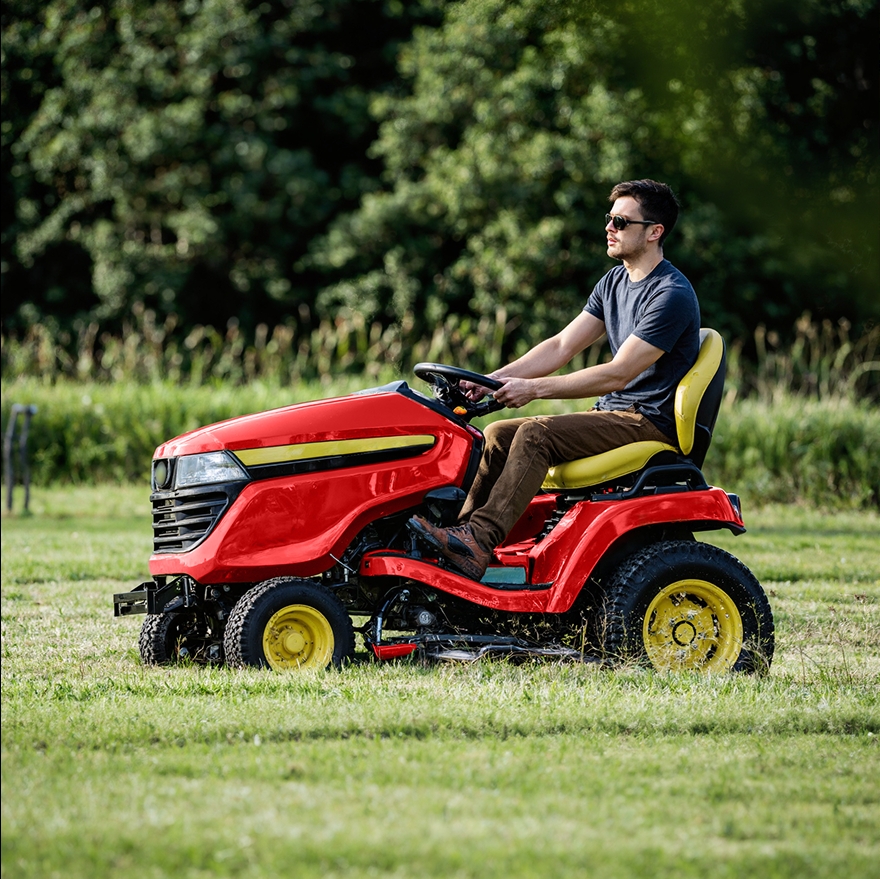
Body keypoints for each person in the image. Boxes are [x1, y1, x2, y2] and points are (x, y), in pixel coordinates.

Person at [408, 179, 701, 580]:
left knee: (535, 434)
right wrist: (492, 380)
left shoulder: (671, 294)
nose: (609, 228)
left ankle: (478, 539)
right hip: (614, 415)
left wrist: (534, 390)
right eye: (608, 219)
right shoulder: (613, 282)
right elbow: (562, 345)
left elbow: (620, 372)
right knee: (497, 433)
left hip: (646, 421)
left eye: (621, 220)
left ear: (654, 232)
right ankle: (457, 536)